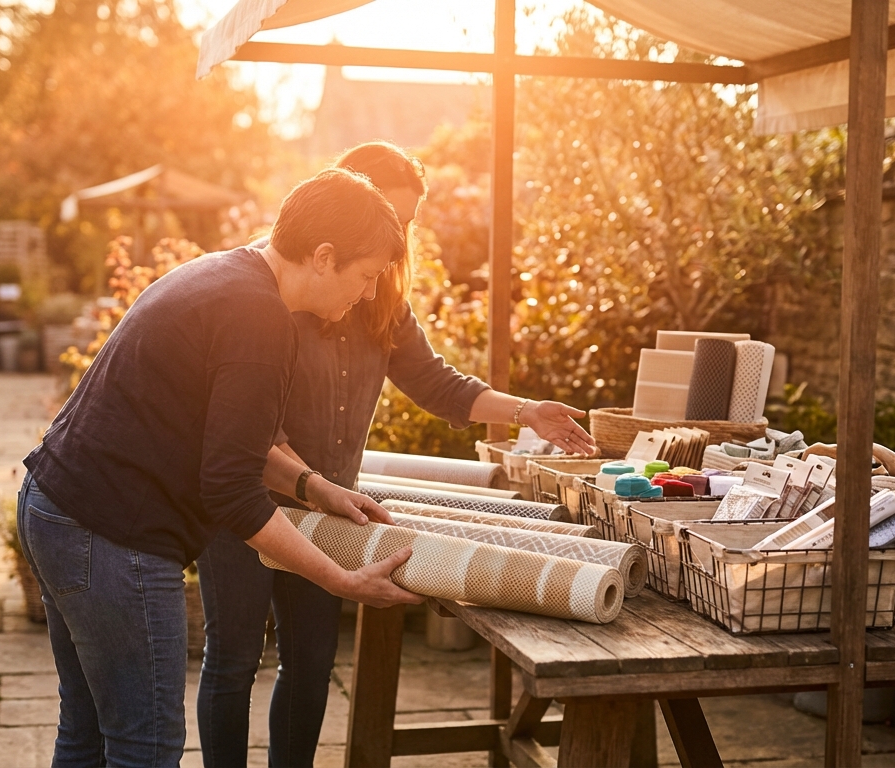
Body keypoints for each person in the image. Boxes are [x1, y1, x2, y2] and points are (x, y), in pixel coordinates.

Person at [196, 142, 597, 768]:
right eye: (392, 218)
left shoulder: (381, 305)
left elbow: (439, 385)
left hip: (330, 514)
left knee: (310, 664)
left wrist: (527, 411)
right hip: (245, 502)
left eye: (408, 223)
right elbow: (253, 431)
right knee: (234, 659)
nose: (401, 239)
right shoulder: (277, 297)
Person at [17, 168, 425, 768]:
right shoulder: (260, 321)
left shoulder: (229, 276)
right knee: (145, 747)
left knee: (87, 738)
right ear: (323, 256)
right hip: (110, 536)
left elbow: (232, 442)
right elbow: (233, 492)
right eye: (365, 277)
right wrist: (339, 581)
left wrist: (313, 488)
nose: (368, 295)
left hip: (55, 508)